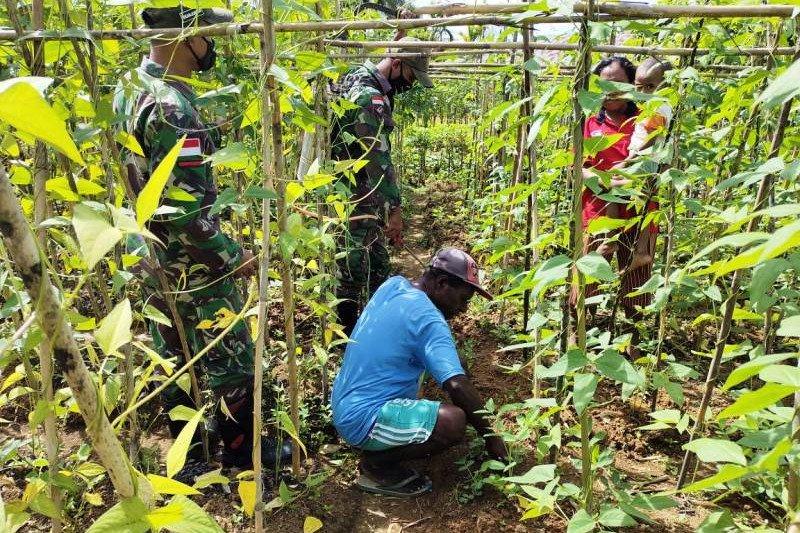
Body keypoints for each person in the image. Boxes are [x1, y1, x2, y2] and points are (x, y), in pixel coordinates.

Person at [113, 7, 289, 480]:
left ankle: (189, 457)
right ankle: (239, 451)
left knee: (171, 355)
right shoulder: (173, 107)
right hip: (190, 263)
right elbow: (188, 213)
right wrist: (233, 258)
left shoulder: (129, 89)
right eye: (207, 34)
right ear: (186, 35)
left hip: (150, 258)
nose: (212, 44)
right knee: (231, 355)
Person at [331, 248, 507, 497]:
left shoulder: (394, 285)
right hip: (364, 419)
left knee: (456, 367)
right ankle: (376, 464)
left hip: (344, 402)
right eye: (464, 299)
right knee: (453, 422)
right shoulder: (429, 320)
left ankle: (386, 441)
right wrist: (491, 436)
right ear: (442, 283)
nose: (464, 309)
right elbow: (456, 385)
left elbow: (454, 367)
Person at [330, 37, 435, 337]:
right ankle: (348, 342)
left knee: (376, 262)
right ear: (397, 63)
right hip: (358, 197)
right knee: (352, 268)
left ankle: (376, 328)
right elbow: (377, 160)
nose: (411, 84)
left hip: (355, 193)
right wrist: (396, 210)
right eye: (411, 77)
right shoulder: (369, 96)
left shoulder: (353, 77)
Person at [574, 56, 657, 356]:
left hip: (638, 214)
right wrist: (604, 179)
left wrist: (633, 175)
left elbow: (659, 162)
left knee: (637, 285)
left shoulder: (647, 120)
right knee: (587, 281)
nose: (610, 91)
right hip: (596, 214)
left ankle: (636, 348)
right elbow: (577, 167)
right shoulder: (589, 122)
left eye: (619, 84)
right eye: (603, 85)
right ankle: (581, 338)